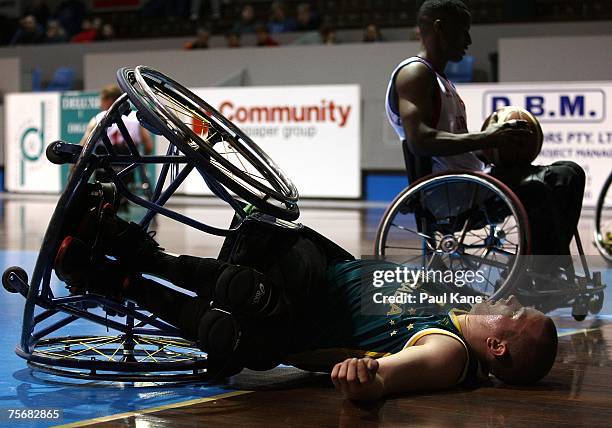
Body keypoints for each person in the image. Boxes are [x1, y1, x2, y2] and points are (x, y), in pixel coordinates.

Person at [53, 188, 558, 402]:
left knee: (241, 295)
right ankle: (126, 247)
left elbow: (384, 378)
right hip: (318, 271)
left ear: (499, 348)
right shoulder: (456, 306)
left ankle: (114, 273)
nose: (509, 302)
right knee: (264, 233)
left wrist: (367, 379)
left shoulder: (448, 354)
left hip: (290, 317)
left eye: (516, 314)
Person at [385, 0, 585, 273]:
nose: (468, 40)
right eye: (462, 31)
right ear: (439, 28)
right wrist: (487, 138)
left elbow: (459, 146)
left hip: (472, 182)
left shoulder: (441, 80)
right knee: (544, 185)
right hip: (448, 193)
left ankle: (549, 266)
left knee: (569, 172)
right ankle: (543, 270)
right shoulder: (415, 73)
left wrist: (502, 141)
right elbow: (420, 141)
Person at [79, 85, 153, 188]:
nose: (100, 104)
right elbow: (149, 146)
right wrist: (140, 163)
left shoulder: (99, 118)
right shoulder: (136, 119)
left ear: (109, 100)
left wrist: (74, 167)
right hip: (127, 170)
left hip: (104, 170)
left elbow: (84, 147)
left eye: (102, 100)